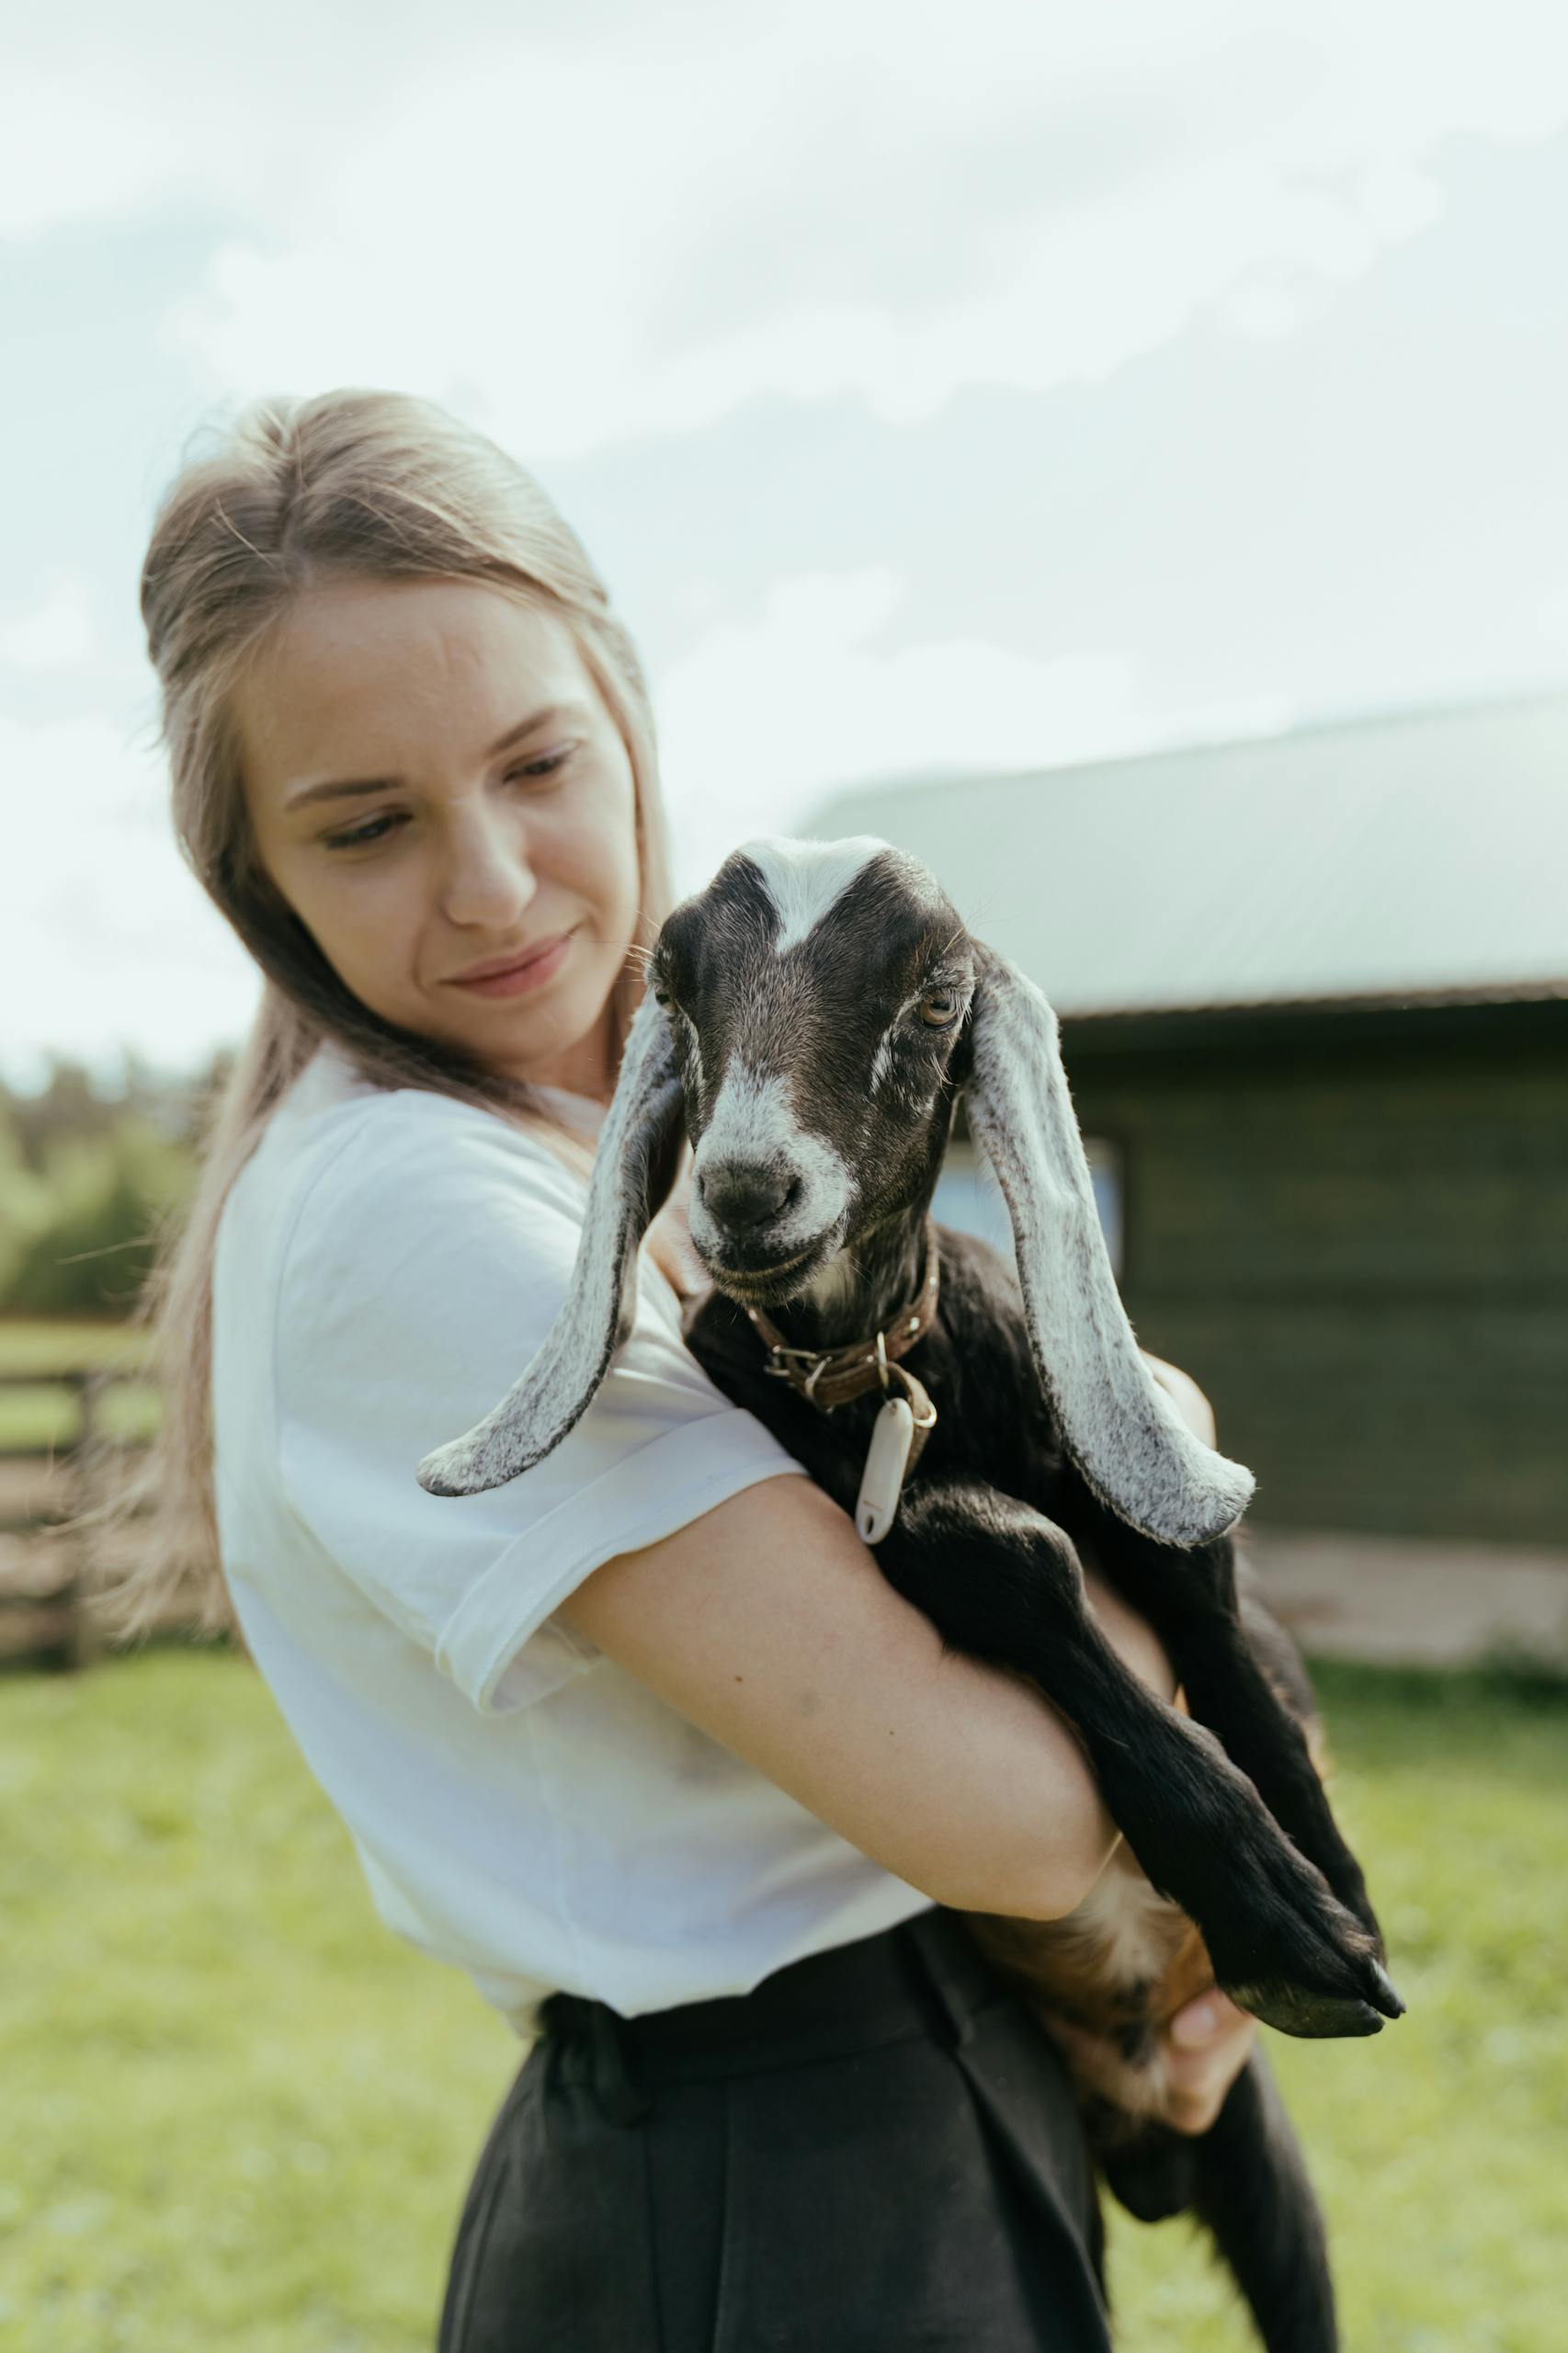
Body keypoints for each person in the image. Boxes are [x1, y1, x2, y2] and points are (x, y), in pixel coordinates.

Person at [107, 387, 1256, 2350]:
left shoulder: (645, 1150)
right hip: (779, 2180)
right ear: (257, 882)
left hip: (887, 2106)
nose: (490, 880)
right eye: (366, 824)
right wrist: (1159, 1627)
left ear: (624, 715)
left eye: (536, 761)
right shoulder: (416, 1214)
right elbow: (1016, 1810)